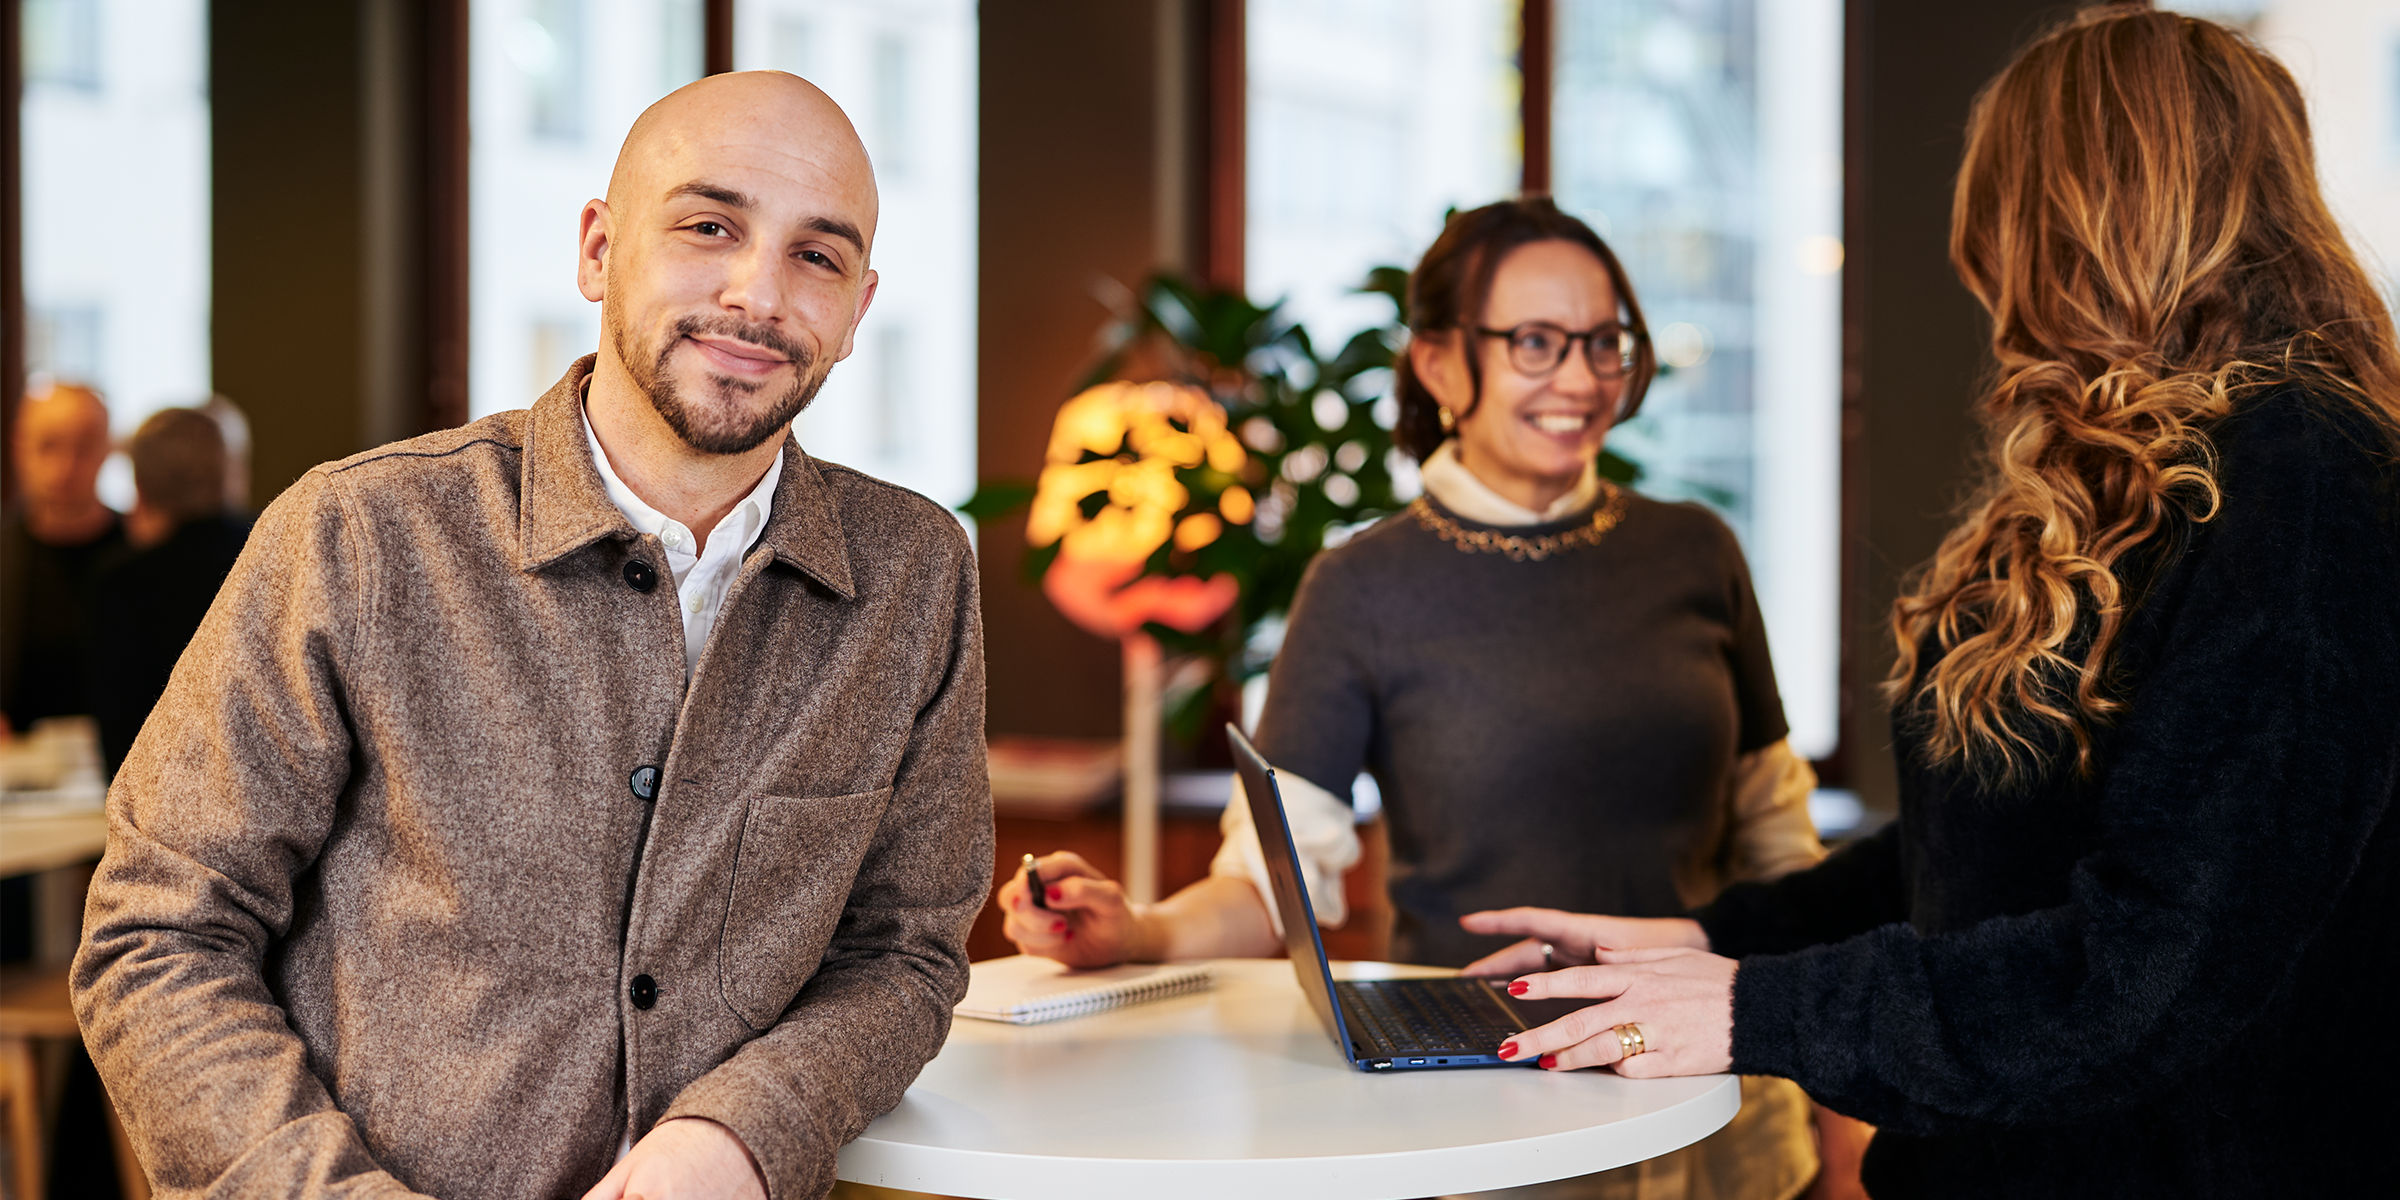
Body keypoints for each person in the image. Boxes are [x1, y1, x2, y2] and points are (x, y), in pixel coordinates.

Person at [1464, 8, 2400, 1196]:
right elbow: (1995, 840)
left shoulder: (2304, 483)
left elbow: (2156, 964)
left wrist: (1763, 1010)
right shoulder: (2140, 477)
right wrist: (1718, 943)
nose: (1995, 288)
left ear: (2080, 222)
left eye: (2003, 235)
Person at [72, 71, 993, 1200]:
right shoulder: (358, 535)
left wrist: (746, 1131)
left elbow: (904, 953)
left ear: (859, 307)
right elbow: (160, 939)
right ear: (600, 250)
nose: (759, 294)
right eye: (710, 226)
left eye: (818, 255)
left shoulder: (917, 574)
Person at [1000, 198, 1864, 1199]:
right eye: (1537, 343)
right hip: (1489, 1120)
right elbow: (1275, 884)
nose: (1580, 379)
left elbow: (1781, 849)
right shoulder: (1364, 586)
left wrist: (1839, 1097)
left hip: (1725, 1117)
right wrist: (1138, 933)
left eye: (1603, 342)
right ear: (1440, 362)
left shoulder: (1695, 551)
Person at [90, 405, 254, 773]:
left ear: (140, 487)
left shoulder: (124, 583)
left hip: (167, 800)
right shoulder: (277, 553)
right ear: (231, 472)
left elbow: (121, 743)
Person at [1, 379, 125, 733]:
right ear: (19, 448)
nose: (65, 466)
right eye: (48, 446)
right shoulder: (6, 554)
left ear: (107, 449)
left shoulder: (143, 556)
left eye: (84, 447)